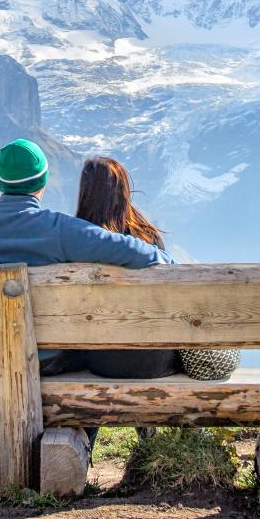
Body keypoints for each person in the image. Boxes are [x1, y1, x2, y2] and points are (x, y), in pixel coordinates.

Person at [0, 138, 170, 377]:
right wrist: (165, 258)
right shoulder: (61, 230)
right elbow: (131, 251)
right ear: (42, 181)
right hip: (45, 361)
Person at [73, 156, 181, 379]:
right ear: (123, 191)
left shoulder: (74, 243)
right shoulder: (147, 237)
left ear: (84, 193)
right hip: (154, 361)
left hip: (100, 361)